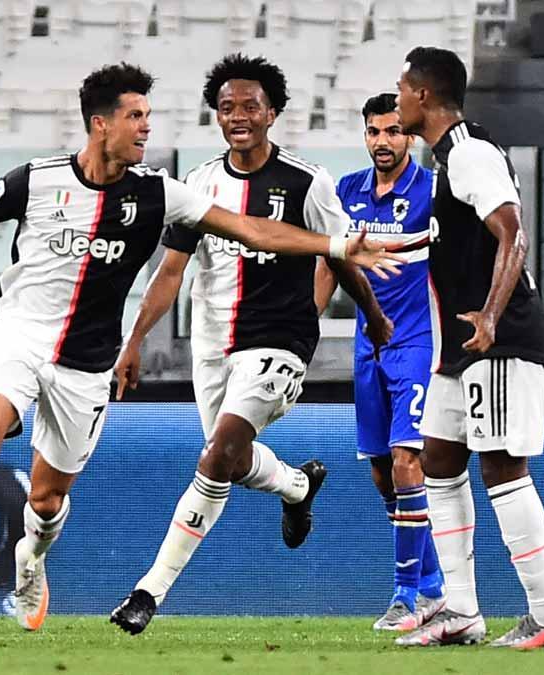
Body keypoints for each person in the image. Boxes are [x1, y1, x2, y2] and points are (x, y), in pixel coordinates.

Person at [0, 63, 401, 634]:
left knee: (45, 499)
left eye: (148, 117)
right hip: (20, 333)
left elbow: (252, 229)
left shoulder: (162, 192)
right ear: (100, 124)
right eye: (135, 117)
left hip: (87, 362)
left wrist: (336, 244)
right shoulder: (35, 181)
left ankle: (31, 562)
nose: (145, 129)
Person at [108, 54, 396, 636]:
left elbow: (338, 255)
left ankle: (148, 592)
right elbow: (171, 272)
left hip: (281, 338)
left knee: (218, 453)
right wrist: (134, 339)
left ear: (273, 113)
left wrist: (374, 317)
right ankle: (295, 484)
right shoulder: (200, 185)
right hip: (214, 341)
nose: (238, 117)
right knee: (230, 459)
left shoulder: (306, 182)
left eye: (250, 107)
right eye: (227, 108)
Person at [393, 47, 544, 649]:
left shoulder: (470, 153)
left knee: (500, 465)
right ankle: (463, 611)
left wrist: (492, 316)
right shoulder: (450, 159)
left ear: (423, 95)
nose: (396, 102)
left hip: (494, 338)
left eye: (401, 91)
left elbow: (512, 230)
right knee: (440, 463)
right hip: (461, 346)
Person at [315, 92, 445, 632]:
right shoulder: (346, 193)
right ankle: (437, 587)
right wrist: (307, 324)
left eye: (392, 131)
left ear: (409, 136)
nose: (383, 141)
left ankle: (406, 597)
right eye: (373, 132)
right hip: (367, 345)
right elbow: (330, 261)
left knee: (406, 461)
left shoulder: (434, 192)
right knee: (380, 473)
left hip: (417, 342)